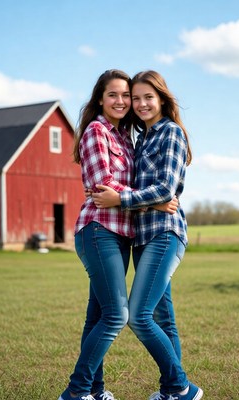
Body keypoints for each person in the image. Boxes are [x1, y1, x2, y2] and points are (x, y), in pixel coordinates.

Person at [58, 69, 178, 400]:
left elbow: (136, 188)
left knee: (97, 315)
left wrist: (149, 197)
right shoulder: (97, 131)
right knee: (117, 315)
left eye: (127, 95)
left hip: (122, 234)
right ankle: (77, 391)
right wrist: (155, 202)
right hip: (99, 229)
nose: (123, 101)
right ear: (100, 98)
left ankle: (94, 392)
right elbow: (103, 188)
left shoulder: (125, 137)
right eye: (114, 95)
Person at [92, 70, 204, 400]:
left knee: (139, 315)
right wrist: (152, 203)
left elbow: (166, 189)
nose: (139, 104)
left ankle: (182, 387)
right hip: (143, 236)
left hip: (164, 235)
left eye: (147, 97)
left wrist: (121, 199)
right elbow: (155, 196)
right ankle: (172, 393)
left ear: (162, 99)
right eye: (135, 98)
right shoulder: (143, 139)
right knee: (163, 319)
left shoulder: (170, 132)